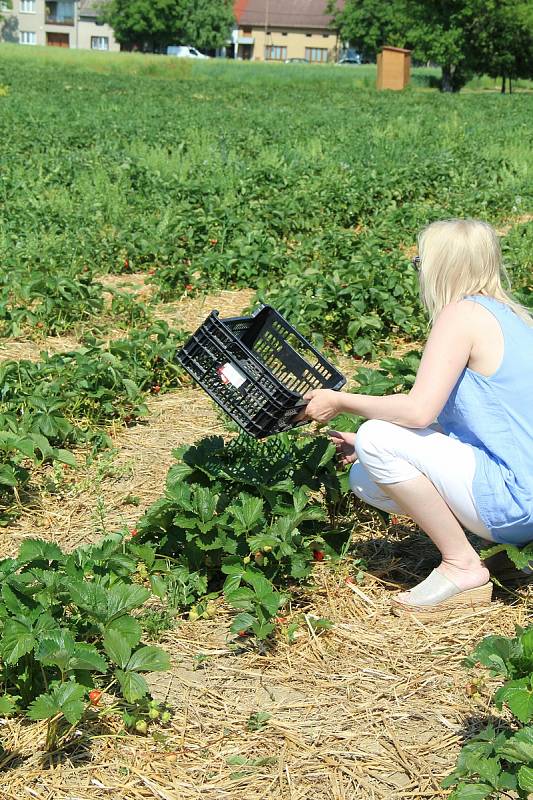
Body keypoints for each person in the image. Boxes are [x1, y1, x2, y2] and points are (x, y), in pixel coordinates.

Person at [300, 219, 533, 617]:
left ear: (441, 265)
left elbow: (419, 410)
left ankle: (462, 565)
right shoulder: (512, 317)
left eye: (418, 260)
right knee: (366, 477)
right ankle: (502, 552)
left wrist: (341, 401)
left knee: (376, 436)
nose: (418, 269)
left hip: (514, 500)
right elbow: (484, 418)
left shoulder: (461, 315)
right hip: (526, 493)